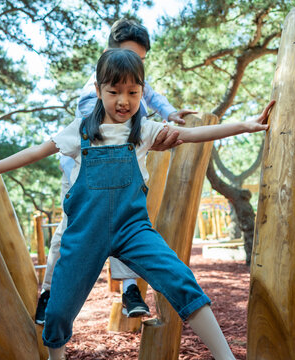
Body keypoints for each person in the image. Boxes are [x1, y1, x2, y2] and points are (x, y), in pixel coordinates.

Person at [0, 48, 274, 360]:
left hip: (133, 230)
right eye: (114, 92)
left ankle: (227, 357)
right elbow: (36, 151)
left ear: (141, 92)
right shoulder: (82, 130)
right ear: (98, 90)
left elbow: (195, 134)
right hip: (84, 234)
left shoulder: (144, 131)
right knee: (57, 312)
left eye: (132, 92)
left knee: (180, 280)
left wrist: (246, 125)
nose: (123, 101)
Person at [36, 17, 196, 324]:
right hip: (83, 176)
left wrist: (170, 115)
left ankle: (130, 289)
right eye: (130, 55)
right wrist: (142, 127)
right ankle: (48, 293)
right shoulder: (96, 90)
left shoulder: (133, 82)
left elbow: (151, 95)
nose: (135, 63)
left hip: (121, 176)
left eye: (141, 60)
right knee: (67, 231)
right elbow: (98, 123)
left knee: (127, 224)